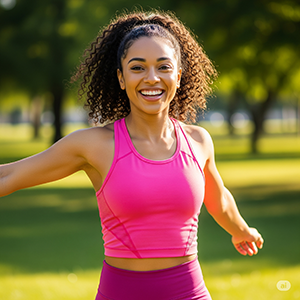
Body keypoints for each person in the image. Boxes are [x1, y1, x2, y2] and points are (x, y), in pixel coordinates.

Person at [0, 9, 264, 300]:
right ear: (121, 77)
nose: (152, 78)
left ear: (178, 75)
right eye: (137, 68)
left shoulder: (198, 141)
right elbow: (10, 174)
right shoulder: (95, 145)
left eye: (163, 67)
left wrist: (242, 230)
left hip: (189, 292)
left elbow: (219, 198)